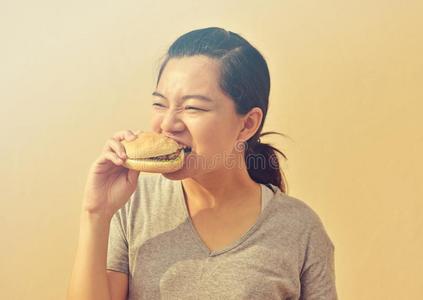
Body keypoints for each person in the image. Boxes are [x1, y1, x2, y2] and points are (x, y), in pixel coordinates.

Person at [67, 27, 338, 300]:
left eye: (193, 107)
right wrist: (96, 213)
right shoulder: (133, 206)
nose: (168, 124)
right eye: (160, 104)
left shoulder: (300, 229)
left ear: (247, 125)